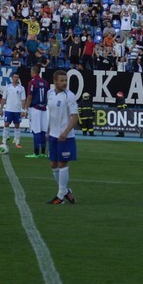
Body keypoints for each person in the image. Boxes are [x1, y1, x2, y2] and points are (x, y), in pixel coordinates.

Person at [47, 70, 79, 205]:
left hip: (65, 136)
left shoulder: (69, 96)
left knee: (62, 164)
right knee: (53, 164)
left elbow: (75, 117)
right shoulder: (50, 94)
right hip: (53, 135)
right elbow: (52, 113)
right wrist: (48, 130)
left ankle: (60, 196)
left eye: (66, 80)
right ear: (55, 81)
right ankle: (65, 191)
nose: (64, 83)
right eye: (61, 80)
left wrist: (65, 132)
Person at [24, 65, 49, 158]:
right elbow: (46, 96)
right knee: (43, 131)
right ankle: (43, 152)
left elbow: (30, 96)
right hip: (43, 109)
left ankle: (36, 153)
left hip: (35, 108)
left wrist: (26, 109)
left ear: (33, 71)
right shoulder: (45, 82)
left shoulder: (32, 82)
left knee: (36, 131)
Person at [2, 72, 26, 148]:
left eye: (17, 77)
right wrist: (1, 108)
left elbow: (23, 99)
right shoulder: (7, 87)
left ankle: (17, 143)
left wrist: (23, 110)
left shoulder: (21, 88)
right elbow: (3, 98)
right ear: (12, 78)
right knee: (6, 124)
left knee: (17, 126)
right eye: (15, 77)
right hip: (8, 109)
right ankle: (4, 141)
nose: (16, 78)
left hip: (17, 110)